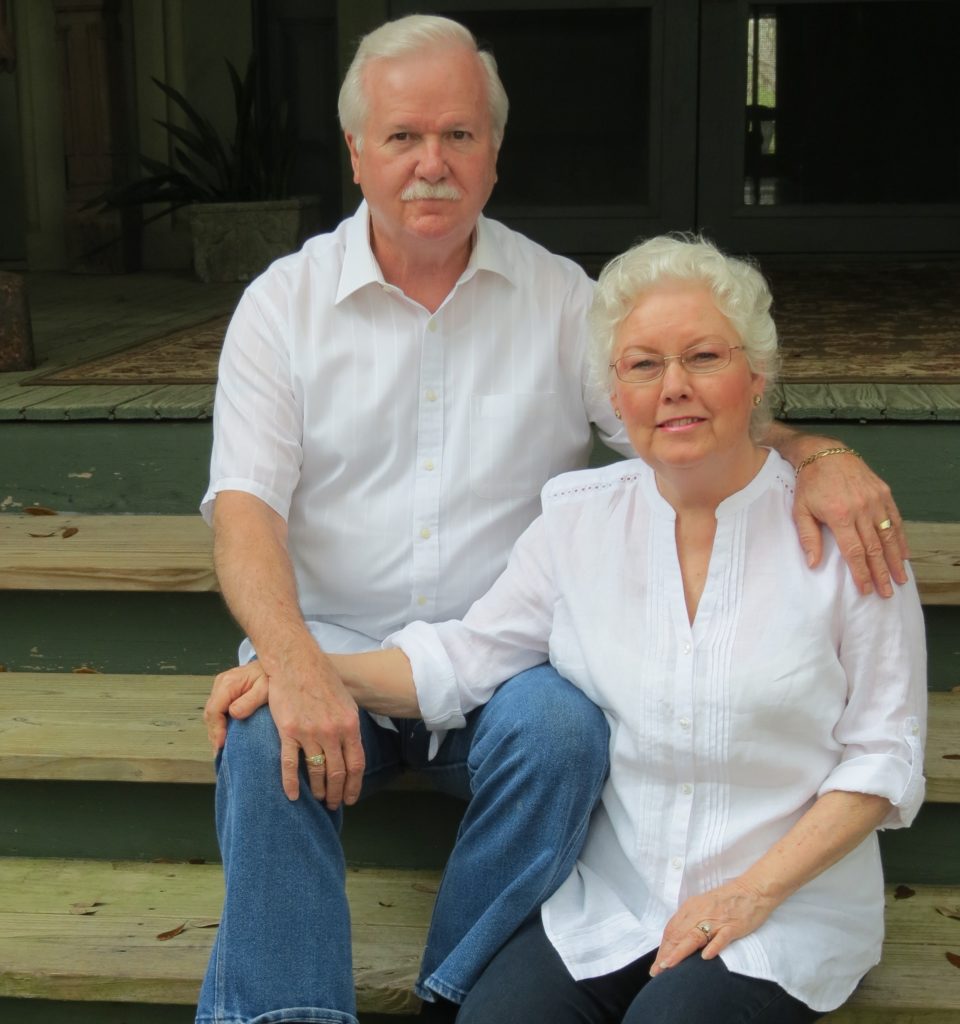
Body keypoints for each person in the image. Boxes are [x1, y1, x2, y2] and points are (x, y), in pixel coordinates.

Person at [199, 15, 911, 1024]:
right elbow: (244, 513)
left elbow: (683, 413)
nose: (432, 165)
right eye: (403, 137)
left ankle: (457, 989)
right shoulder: (283, 306)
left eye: (459, 135)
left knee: (563, 729)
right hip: (339, 660)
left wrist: (820, 453)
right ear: (357, 151)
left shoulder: (563, 302)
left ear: (495, 153)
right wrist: (297, 657)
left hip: (507, 669)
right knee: (262, 721)